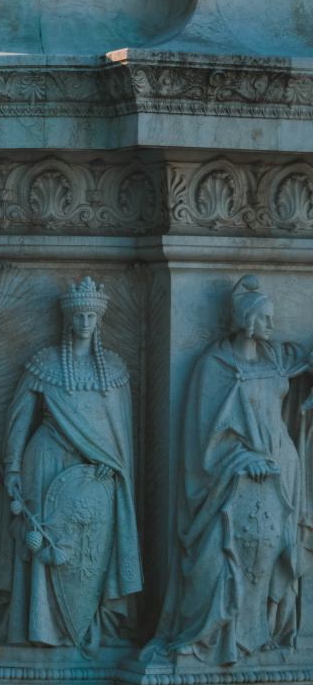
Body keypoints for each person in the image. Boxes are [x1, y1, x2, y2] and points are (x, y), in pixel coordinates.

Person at [155, 275, 310, 664]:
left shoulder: (275, 357)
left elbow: (307, 358)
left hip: (282, 471)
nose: (272, 325)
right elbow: (203, 438)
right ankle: (215, 636)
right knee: (223, 556)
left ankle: (266, 632)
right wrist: (242, 459)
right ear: (245, 320)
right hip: (232, 480)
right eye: (265, 318)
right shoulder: (215, 366)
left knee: (271, 553)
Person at [0, 277, 141, 653]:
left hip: (95, 478)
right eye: (78, 315)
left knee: (90, 552)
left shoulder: (114, 370)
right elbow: (19, 420)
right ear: (68, 319)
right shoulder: (45, 364)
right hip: (45, 462)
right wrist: (13, 468)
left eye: (91, 315)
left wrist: (113, 465)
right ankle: (41, 628)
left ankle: (87, 625)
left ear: (99, 319)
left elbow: (119, 434)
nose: (84, 322)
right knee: (42, 542)